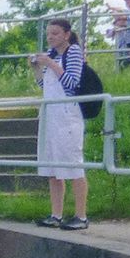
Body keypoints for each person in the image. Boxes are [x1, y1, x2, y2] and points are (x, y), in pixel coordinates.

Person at [31, 17, 88, 230]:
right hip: (50, 114)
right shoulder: (52, 54)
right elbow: (44, 85)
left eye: (55, 33)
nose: (51, 37)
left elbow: (72, 84)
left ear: (66, 34)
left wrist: (51, 64)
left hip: (67, 115)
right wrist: (37, 67)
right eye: (49, 33)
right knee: (53, 167)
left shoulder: (73, 52)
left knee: (73, 165)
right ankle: (56, 214)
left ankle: (81, 216)